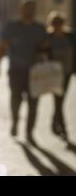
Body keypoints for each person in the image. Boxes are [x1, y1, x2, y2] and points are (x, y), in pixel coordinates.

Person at [0, 0, 47, 145]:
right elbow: (2, 46)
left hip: (35, 74)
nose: (29, 11)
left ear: (35, 10)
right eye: (26, 8)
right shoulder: (11, 27)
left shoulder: (40, 28)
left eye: (32, 8)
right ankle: (15, 121)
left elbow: (44, 49)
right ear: (20, 9)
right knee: (15, 99)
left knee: (34, 103)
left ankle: (30, 132)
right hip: (16, 72)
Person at [46, 11, 75, 141]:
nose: (58, 25)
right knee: (58, 100)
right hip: (54, 74)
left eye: (60, 23)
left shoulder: (70, 36)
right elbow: (42, 52)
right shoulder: (48, 37)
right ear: (52, 24)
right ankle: (62, 128)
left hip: (67, 72)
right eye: (55, 23)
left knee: (60, 100)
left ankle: (54, 123)